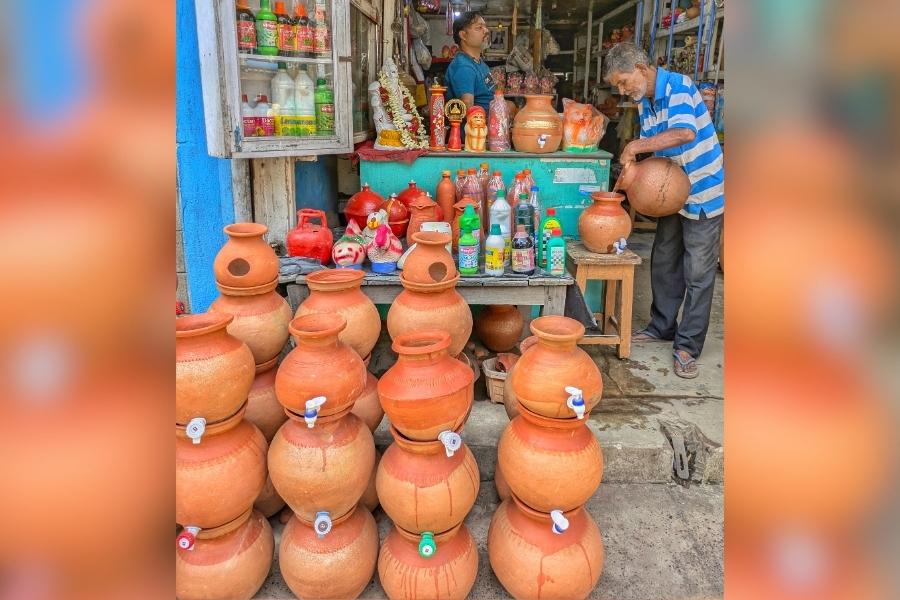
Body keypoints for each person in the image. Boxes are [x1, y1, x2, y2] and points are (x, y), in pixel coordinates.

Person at [604, 42, 724, 379]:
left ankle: (687, 345)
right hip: (672, 189)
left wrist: (634, 146)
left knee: (698, 271)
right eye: (617, 86)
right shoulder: (645, 102)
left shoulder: (680, 87)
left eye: (624, 81)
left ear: (642, 69)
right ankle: (662, 326)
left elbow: (685, 132)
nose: (623, 90)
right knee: (665, 258)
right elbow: (656, 154)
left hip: (702, 187)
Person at [445, 11, 495, 114]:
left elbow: (491, 93)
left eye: (485, 27)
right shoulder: (463, 67)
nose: (486, 31)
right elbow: (468, 108)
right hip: (476, 128)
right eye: (479, 28)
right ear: (463, 35)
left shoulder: (480, 64)